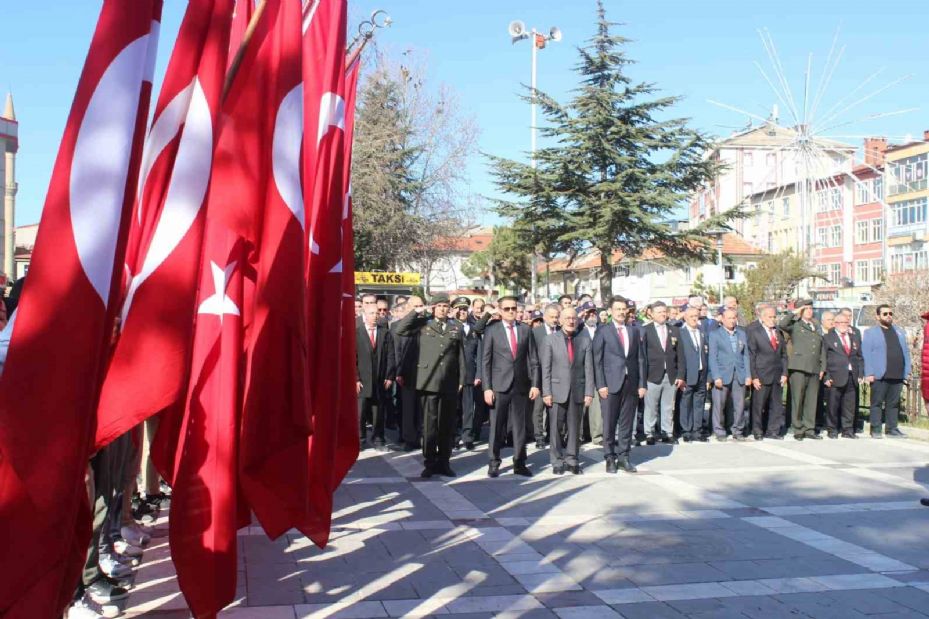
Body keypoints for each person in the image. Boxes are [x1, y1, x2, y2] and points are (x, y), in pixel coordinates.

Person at [394, 295, 467, 478]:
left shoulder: (455, 327)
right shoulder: (422, 324)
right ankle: (430, 462)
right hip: (428, 381)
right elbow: (400, 330)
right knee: (429, 425)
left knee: (447, 425)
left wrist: (462, 379)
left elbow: (461, 356)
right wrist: (416, 312)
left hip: (449, 382)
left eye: (445, 306)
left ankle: (444, 462)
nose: (442, 309)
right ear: (433, 307)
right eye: (439, 306)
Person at [482, 296, 540, 477]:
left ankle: (520, 462)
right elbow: (486, 361)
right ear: (500, 311)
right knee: (497, 426)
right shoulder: (492, 330)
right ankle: (494, 462)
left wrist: (535, 384)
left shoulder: (525, 330)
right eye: (506, 309)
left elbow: (534, 360)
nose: (510, 311)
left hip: (521, 385)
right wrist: (487, 388)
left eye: (513, 308)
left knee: (520, 426)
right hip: (499, 385)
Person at [593, 296, 647, 473]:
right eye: (618, 309)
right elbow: (597, 360)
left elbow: (640, 359)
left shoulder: (633, 331)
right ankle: (610, 457)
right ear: (610, 311)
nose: (622, 312)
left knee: (626, 422)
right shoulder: (603, 331)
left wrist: (641, 383)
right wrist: (600, 384)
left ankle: (624, 456)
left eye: (624, 309)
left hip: (630, 383)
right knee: (609, 422)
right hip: (610, 384)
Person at [541, 306, 594, 475]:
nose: (571, 321)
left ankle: (572, 459)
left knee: (574, 428)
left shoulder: (584, 340)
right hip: (556, 391)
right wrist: (546, 392)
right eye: (567, 318)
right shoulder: (550, 340)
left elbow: (589, 368)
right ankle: (556, 461)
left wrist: (589, 392)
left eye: (574, 318)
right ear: (561, 320)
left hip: (577, 391)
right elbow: (546, 369)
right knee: (555, 428)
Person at [862, 304, 910, 438]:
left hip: (897, 374)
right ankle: (876, 429)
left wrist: (907, 371)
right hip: (879, 375)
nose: (888, 316)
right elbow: (866, 353)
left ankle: (892, 428)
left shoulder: (899, 332)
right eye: (885, 314)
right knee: (876, 403)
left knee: (893, 404)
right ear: (878, 316)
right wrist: (869, 373)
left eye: (890, 313)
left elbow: (905, 352)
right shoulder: (870, 333)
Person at [779, 300, 824, 440]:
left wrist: (823, 367)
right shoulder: (796, 325)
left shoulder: (816, 326)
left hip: (814, 367)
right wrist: (796, 311)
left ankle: (809, 428)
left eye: (811, 308)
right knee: (798, 399)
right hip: (798, 366)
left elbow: (821, 347)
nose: (810, 311)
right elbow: (782, 324)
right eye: (807, 309)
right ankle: (797, 428)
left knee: (812, 400)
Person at [641, 301, 682, 445]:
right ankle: (649, 432)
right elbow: (642, 355)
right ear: (651, 314)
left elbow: (680, 355)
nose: (663, 314)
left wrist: (680, 375)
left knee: (668, 406)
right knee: (651, 406)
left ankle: (667, 432)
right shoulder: (645, 330)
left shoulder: (674, 330)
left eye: (664, 311)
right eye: (659, 312)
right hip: (652, 374)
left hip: (670, 374)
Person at [356, 303, 396, 450]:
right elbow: (352, 357)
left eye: (377, 313)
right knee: (360, 412)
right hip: (363, 380)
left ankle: (378, 438)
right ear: (364, 315)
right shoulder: (357, 332)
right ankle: (360, 439)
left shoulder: (385, 333)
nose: (375, 316)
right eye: (372, 313)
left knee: (378, 411)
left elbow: (391, 355)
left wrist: (389, 376)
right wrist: (356, 378)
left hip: (380, 378)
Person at [708, 309, 752, 441]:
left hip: (739, 374)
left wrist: (748, 375)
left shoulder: (741, 334)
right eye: (729, 318)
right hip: (722, 374)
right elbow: (712, 357)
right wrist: (716, 376)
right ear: (722, 319)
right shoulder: (715, 334)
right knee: (719, 405)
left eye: (734, 318)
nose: (732, 320)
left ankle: (737, 430)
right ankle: (719, 431)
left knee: (739, 405)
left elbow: (745, 356)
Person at [746, 304, 788, 440]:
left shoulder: (778, 332)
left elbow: (783, 355)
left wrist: (784, 373)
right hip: (762, 375)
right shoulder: (755, 332)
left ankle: (773, 430)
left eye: (774, 316)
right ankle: (757, 430)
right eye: (770, 317)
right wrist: (754, 376)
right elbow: (751, 356)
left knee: (776, 405)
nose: (773, 319)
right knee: (758, 405)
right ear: (762, 318)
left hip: (777, 374)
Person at [822, 312, 864, 439]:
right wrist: (826, 376)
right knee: (833, 405)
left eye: (846, 322)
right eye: (840, 322)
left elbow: (860, 357)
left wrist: (861, 373)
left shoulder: (854, 337)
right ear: (835, 324)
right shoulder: (828, 338)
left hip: (852, 375)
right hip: (835, 376)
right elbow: (823, 358)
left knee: (849, 405)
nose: (844, 325)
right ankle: (832, 429)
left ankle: (848, 430)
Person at [392, 298, 421, 451]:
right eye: (415, 307)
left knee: (419, 408)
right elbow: (396, 351)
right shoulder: (398, 326)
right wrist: (398, 372)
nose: (419, 309)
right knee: (406, 408)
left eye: (420, 306)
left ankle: (418, 436)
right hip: (405, 372)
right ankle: (407, 438)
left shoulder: (424, 324)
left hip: (423, 372)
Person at [455, 297, 484, 450]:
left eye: (464, 309)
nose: (462, 312)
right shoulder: (451, 327)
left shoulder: (474, 328)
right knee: (454, 408)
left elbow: (479, 354)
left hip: (470, 373)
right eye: (459, 309)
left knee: (468, 408)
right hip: (453, 375)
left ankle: (467, 437)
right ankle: (454, 436)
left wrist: (479, 374)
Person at [531, 303, 561, 449]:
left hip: (557, 376)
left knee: (554, 407)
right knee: (538, 408)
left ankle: (552, 434)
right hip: (540, 374)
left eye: (557, 317)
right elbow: (532, 355)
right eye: (552, 317)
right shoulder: (536, 332)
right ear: (544, 317)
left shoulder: (561, 331)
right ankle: (539, 436)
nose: (555, 320)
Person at [677, 307, 709, 442]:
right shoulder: (680, 332)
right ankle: (686, 430)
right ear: (685, 317)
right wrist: (680, 376)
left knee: (699, 402)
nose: (694, 319)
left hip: (702, 373)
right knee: (686, 402)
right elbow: (679, 356)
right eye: (691, 316)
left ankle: (697, 430)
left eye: (696, 316)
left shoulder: (702, 332)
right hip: (687, 374)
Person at [578, 302, 603, 445]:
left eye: (594, 312)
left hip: (597, 371)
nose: (592, 315)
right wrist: (580, 316)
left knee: (597, 407)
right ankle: (579, 434)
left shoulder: (602, 329)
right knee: (581, 405)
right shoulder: (578, 328)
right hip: (581, 372)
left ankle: (597, 435)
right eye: (589, 313)